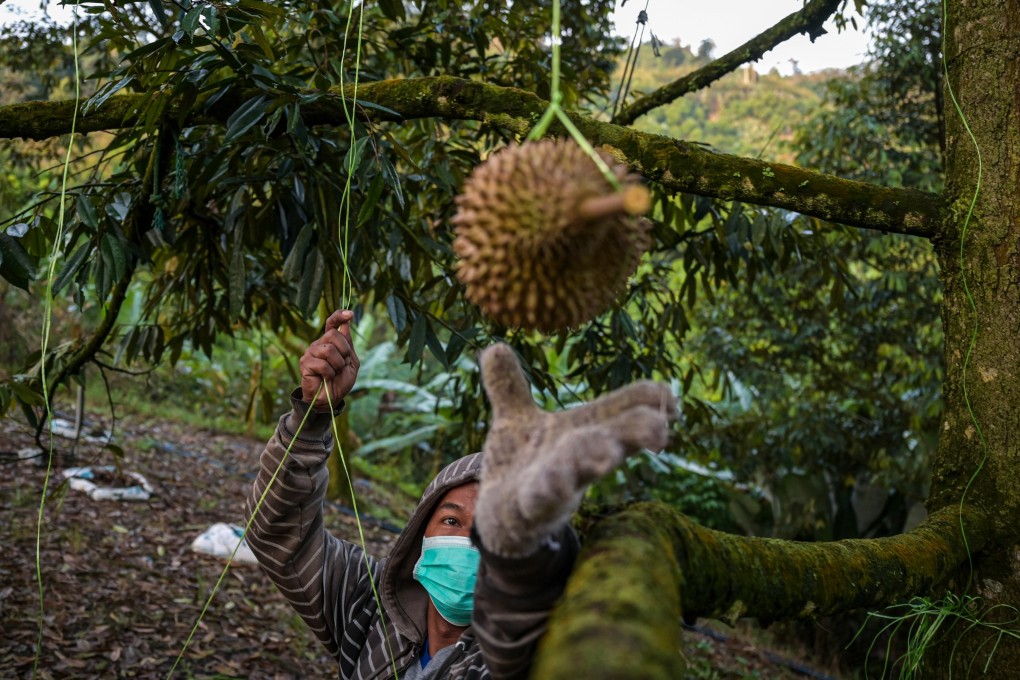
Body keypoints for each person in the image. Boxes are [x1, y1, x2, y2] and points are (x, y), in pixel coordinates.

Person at [244, 309, 675, 679]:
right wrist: (313, 415)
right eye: (451, 520)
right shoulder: (368, 606)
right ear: (421, 537)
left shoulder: (525, 655)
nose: (470, 541)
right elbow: (278, 533)